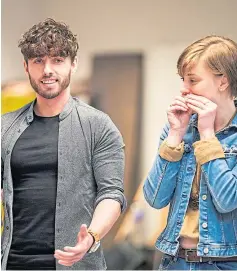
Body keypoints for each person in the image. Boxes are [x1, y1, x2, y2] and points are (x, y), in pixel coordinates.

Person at [1, 18, 126, 270]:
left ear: (73, 64)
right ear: (26, 67)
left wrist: (91, 237)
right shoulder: (5, 127)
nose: (47, 70)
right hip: (14, 262)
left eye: (57, 60)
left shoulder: (98, 126)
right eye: (38, 60)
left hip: (76, 263)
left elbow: (112, 194)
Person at [143, 35, 237, 270]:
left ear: (223, 81)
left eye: (193, 80)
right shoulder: (180, 128)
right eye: (183, 80)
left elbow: (228, 200)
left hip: (224, 263)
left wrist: (207, 135)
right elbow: (154, 198)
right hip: (176, 261)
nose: (184, 90)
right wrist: (175, 135)